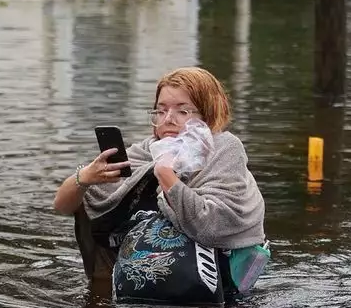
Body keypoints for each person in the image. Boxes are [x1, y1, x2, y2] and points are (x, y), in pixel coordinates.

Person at [52, 66, 267, 295]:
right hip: (141, 282)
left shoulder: (224, 149)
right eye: (161, 110)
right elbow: (62, 206)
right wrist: (84, 178)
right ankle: (103, 289)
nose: (168, 120)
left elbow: (214, 226)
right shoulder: (147, 150)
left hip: (213, 290)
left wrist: (166, 175)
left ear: (208, 113)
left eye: (183, 112)